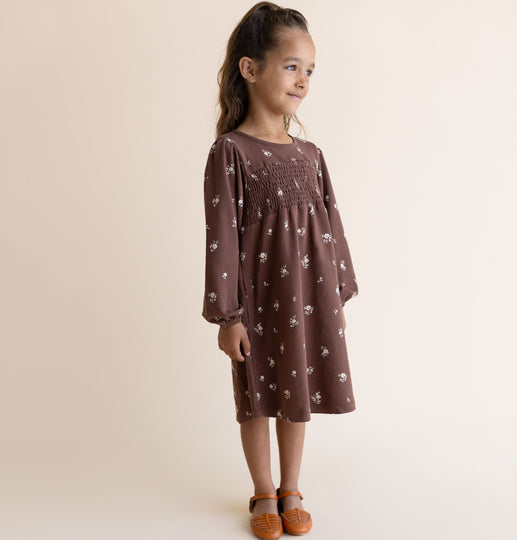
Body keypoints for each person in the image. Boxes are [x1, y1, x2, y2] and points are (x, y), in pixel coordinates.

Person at [201, 3, 358, 538]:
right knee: (256, 399)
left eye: (309, 70)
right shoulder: (231, 152)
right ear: (250, 68)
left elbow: (330, 223)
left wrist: (337, 290)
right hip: (258, 302)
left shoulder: (310, 154)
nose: (303, 80)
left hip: (308, 297)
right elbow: (221, 235)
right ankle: (264, 490)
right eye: (292, 67)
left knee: (298, 395)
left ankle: (292, 488)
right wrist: (228, 316)